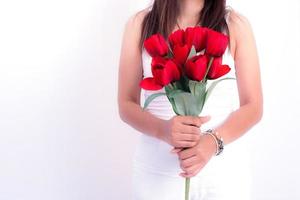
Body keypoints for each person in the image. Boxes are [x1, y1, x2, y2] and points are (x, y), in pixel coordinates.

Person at [118, 0, 263, 199]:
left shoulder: (235, 25)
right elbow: (126, 103)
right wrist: (163, 130)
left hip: (223, 175)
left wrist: (212, 141)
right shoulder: (140, 24)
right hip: (157, 174)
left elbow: (253, 106)